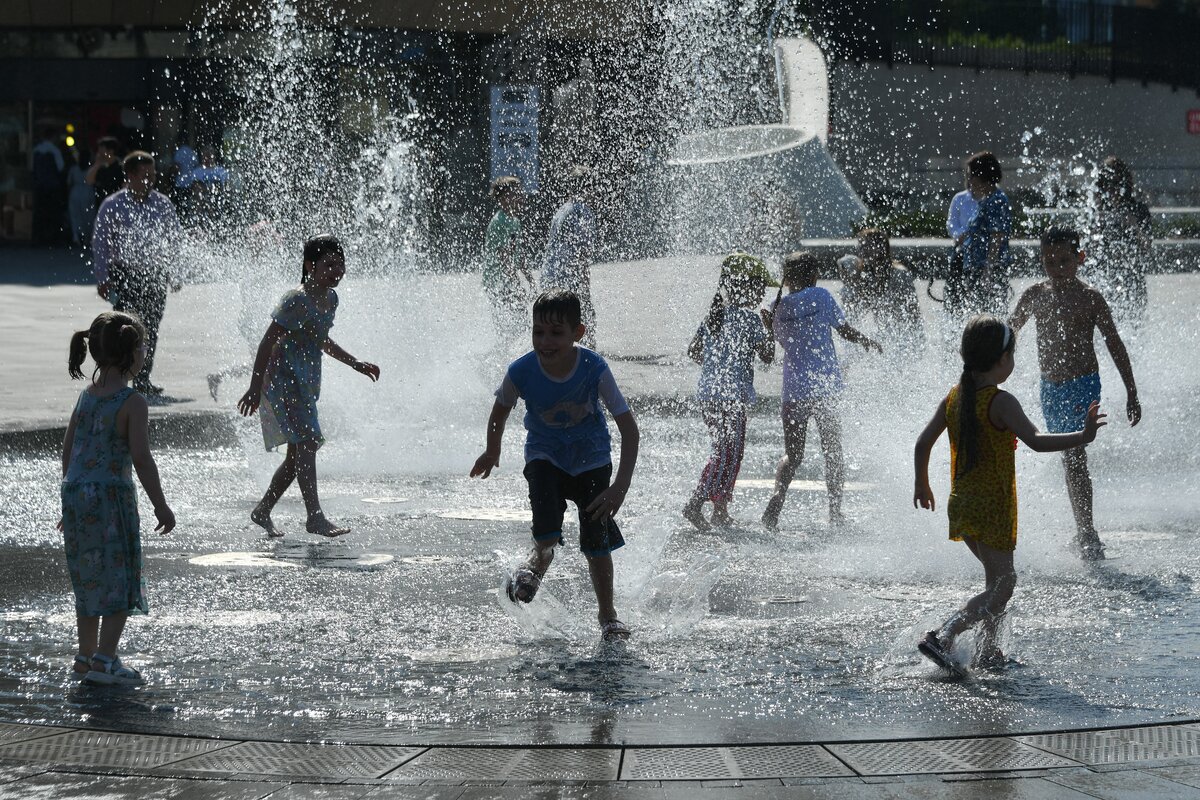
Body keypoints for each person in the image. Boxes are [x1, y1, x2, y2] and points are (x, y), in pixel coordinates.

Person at [913, 315, 1106, 673]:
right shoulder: (999, 402)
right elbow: (1036, 440)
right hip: (993, 508)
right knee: (1005, 582)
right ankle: (944, 635)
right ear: (1002, 360)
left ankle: (988, 653)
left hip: (963, 506)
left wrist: (921, 484)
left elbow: (922, 443)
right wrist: (1083, 437)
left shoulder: (954, 397)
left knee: (994, 581)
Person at [470, 289, 639, 641]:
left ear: (578, 333)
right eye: (538, 332)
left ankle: (608, 615)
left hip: (592, 461)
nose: (545, 342)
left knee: (597, 543)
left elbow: (629, 428)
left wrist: (619, 486)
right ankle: (535, 568)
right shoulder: (522, 370)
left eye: (556, 333)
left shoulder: (594, 368)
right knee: (547, 532)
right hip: (544, 457)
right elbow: (500, 409)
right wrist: (492, 449)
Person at [1009, 227, 1141, 560]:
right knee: (1069, 459)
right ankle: (1083, 528)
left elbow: (1115, 344)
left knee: (1075, 456)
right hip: (1050, 388)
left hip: (1083, 385)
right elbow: (1009, 335)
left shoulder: (1091, 298)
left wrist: (1132, 391)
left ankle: (1087, 531)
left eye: (1064, 260)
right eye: (1049, 261)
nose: (1057, 268)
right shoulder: (1034, 295)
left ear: (1079, 259)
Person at [237, 234, 381, 538]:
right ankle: (314, 517)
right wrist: (253, 387)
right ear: (309, 265)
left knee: (297, 455)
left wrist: (355, 363)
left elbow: (322, 339)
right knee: (306, 444)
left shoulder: (330, 299)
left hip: (305, 385)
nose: (336, 271)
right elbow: (266, 342)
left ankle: (263, 510)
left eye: (340, 265)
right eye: (328, 265)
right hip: (282, 384)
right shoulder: (295, 300)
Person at [61, 311, 176, 685]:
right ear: (132, 354)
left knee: (89, 576)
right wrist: (161, 504)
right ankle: (105, 661)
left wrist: (70, 498)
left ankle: (85, 655)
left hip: (77, 494)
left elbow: (69, 449)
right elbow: (141, 458)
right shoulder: (133, 402)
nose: (145, 352)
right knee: (120, 578)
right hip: (111, 497)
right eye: (143, 346)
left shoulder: (86, 396)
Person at [761, 252, 881, 529]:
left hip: (793, 392)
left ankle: (777, 499)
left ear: (787, 277)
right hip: (824, 388)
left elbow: (777, 341)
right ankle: (835, 512)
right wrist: (867, 341)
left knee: (793, 455)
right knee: (832, 451)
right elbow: (844, 329)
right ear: (814, 275)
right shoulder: (821, 296)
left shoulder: (776, 306)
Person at [682, 253, 775, 530]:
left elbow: (693, 350)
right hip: (731, 397)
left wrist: (715, 364)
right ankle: (696, 503)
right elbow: (768, 356)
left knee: (724, 451)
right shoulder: (749, 320)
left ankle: (720, 510)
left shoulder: (714, 316)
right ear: (745, 286)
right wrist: (769, 329)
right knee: (729, 454)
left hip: (709, 395)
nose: (761, 293)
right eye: (759, 287)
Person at [91, 151, 184, 397]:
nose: (150, 180)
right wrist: (102, 278)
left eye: (152, 175)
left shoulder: (162, 203)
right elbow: (100, 244)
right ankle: (115, 378)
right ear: (130, 175)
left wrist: (175, 273)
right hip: (125, 275)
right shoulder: (113, 204)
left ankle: (143, 379)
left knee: (150, 328)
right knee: (122, 329)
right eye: (145, 175)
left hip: (154, 274)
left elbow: (174, 241)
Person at [540, 166, 599, 349]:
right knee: (586, 319)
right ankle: (587, 359)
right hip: (569, 277)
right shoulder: (583, 212)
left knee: (554, 321)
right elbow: (582, 256)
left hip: (550, 275)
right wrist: (586, 291)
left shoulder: (562, 209)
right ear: (589, 187)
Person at [1088, 156, 1152, 323]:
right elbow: (1086, 253)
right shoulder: (1096, 211)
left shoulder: (1138, 209)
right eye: (1106, 184)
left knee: (1133, 327)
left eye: (1117, 183)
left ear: (1126, 184)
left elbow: (1147, 247)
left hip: (1132, 281)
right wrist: (1096, 227)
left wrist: (1134, 226)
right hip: (1104, 281)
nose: (1112, 189)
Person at [838, 227, 924, 351]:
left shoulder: (900, 275)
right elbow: (852, 315)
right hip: (885, 335)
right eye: (861, 247)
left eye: (868, 246)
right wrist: (852, 284)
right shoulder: (863, 275)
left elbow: (913, 312)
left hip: (904, 336)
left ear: (882, 248)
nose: (863, 251)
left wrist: (916, 340)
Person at [958, 151, 1012, 316]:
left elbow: (997, 236)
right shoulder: (987, 200)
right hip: (979, 269)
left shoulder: (997, 201)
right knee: (978, 316)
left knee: (988, 317)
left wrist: (988, 271)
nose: (968, 183)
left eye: (970, 177)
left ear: (982, 176)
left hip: (987, 270)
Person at [483, 176, 533, 344]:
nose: (522, 197)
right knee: (512, 321)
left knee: (519, 319)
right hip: (497, 282)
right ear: (505, 198)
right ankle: (508, 355)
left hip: (507, 280)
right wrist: (518, 285)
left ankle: (512, 350)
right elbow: (504, 258)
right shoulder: (499, 222)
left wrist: (530, 280)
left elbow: (519, 256)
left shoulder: (515, 221)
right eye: (517, 193)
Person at [943, 179, 979, 313]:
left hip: (979, 250)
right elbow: (951, 224)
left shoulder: (989, 200)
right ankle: (953, 304)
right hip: (962, 246)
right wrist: (961, 235)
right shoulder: (959, 198)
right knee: (955, 270)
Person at [32, 128, 66, 244]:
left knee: (40, 213)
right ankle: (53, 238)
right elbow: (60, 167)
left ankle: (38, 238)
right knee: (53, 213)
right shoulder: (55, 151)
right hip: (52, 186)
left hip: (40, 186)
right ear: (53, 137)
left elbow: (33, 169)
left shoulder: (36, 150)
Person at [66, 147, 96, 247]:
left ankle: (76, 235)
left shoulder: (74, 168)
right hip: (88, 191)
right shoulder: (92, 168)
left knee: (75, 215)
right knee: (88, 215)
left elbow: (68, 182)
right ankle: (87, 236)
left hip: (75, 191)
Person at [86, 137, 126, 203]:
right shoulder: (101, 167)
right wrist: (97, 165)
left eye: (101, 150)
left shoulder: (121, 167)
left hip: (117, 203)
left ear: (111, 151)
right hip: (102, 204)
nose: (99, 153)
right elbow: (89, 181)